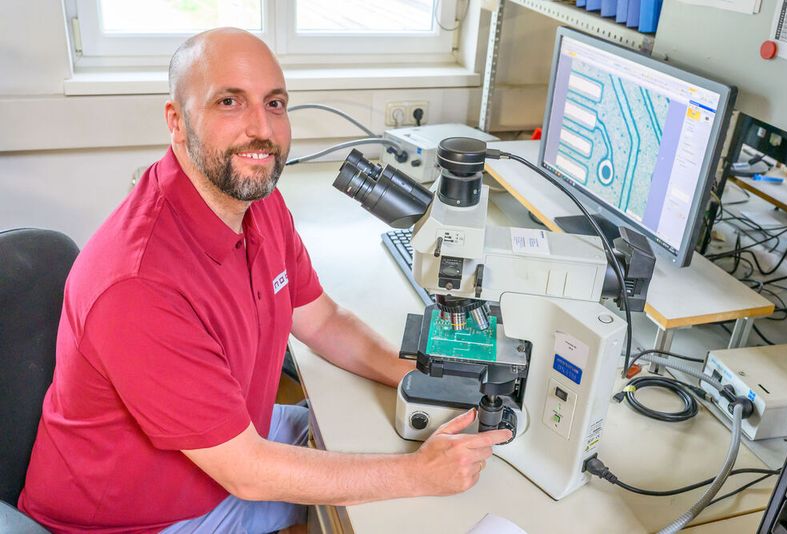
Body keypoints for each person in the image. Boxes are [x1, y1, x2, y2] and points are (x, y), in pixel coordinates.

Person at [18, 27, 511, 533]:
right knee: (399, 505)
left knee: (392, 444)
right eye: (229, 101)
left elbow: (322, 321)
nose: (261, 128)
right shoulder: (138, 284)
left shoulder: (256, 201)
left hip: (226, 442)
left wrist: (423, 379)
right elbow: (249, 473)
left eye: (275, 104)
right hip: (139, 519)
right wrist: (418, 476)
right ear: (177, 121)